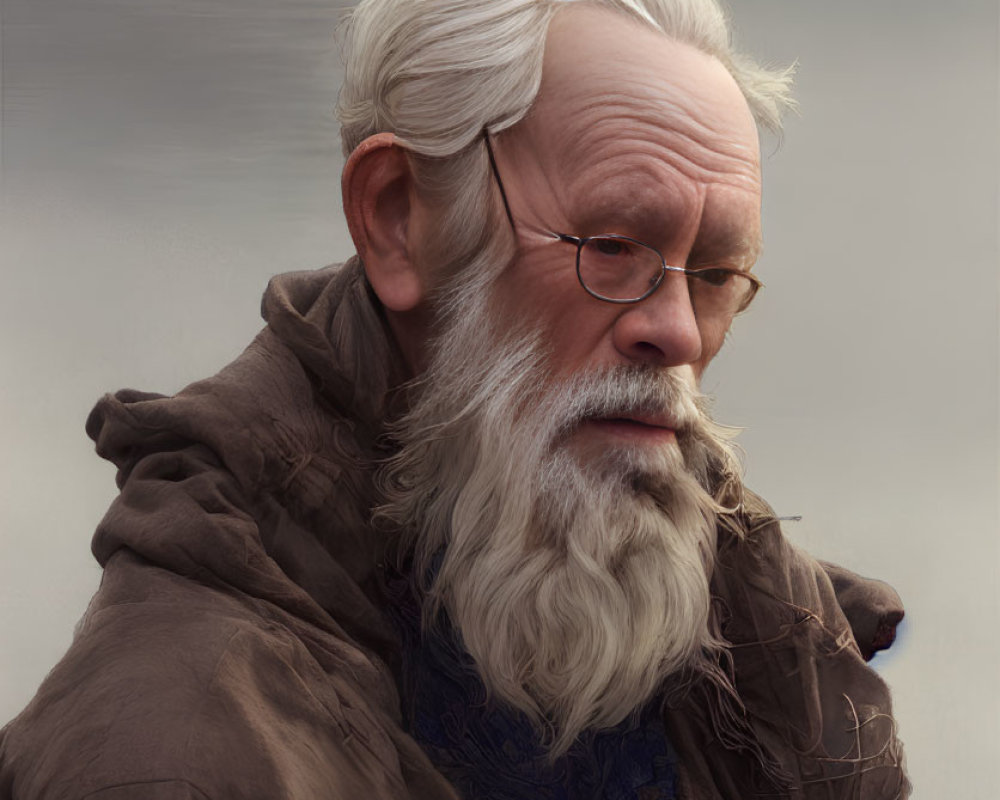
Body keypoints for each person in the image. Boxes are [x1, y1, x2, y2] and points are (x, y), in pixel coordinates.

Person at [0, 1, 910, 797]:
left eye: (715, 273)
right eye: (613, 245)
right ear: (399, 220)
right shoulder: (171, 756)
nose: (676, 331)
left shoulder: (779, 672)